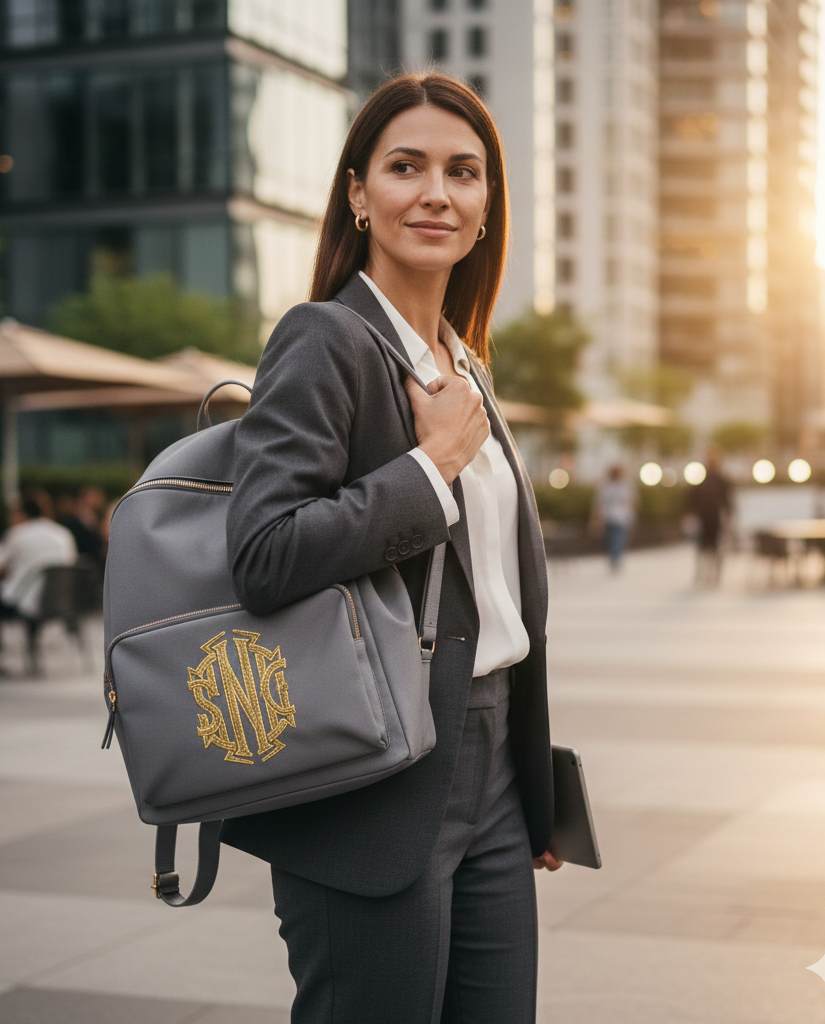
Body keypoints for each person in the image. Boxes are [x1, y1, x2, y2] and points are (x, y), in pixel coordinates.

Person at [222, 73, 560, 1024]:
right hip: (370, 778)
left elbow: (500, 604)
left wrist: (530, 784)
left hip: (489, 772)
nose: (436, 194)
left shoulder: (467, 364)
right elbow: (265, 553)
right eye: (404, 168)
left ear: (488, 205)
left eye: (464, 172)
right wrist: (430, 468)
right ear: (359, 194)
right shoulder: (323, 339)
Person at [0, 497, 78, 669]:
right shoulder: (63, 534)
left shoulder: (18, 533)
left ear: (22, 514)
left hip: (24, 600)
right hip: (59, 600)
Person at [688, 447, 733, 587]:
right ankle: (705, 574)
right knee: (705, 548)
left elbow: (726, 500)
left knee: (712, 548)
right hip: (706, 518)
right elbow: (693, 499)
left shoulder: (719, 479)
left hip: (713, 518)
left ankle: (712, 575)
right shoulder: (704, 479)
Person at [591, 464, 636, 571]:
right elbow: (599, 503)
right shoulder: (606, 486)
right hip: (610, 517)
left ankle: (615, 559)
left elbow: (630, 502)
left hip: (621, 517)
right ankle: (614, 558)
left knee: (617, 539)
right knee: (613, 539)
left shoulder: (624, 486)